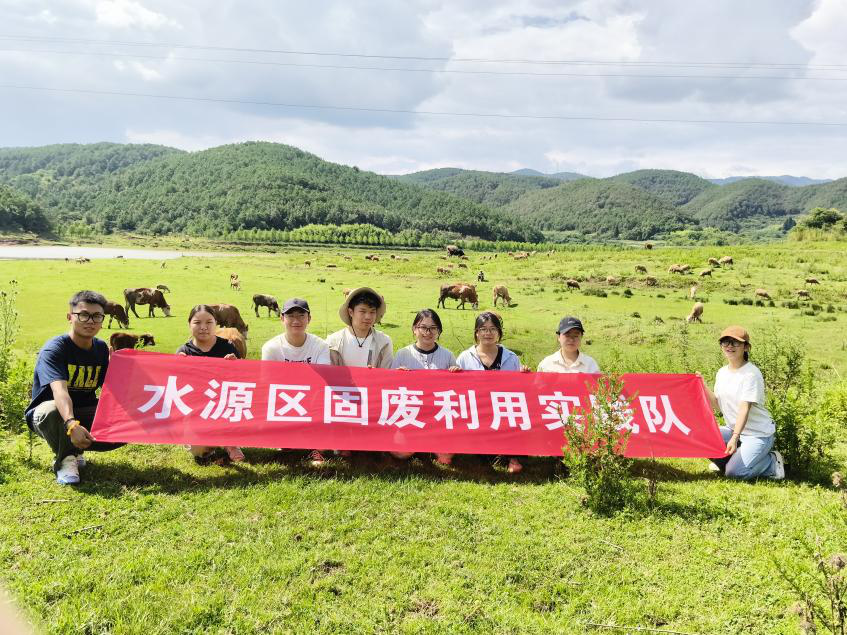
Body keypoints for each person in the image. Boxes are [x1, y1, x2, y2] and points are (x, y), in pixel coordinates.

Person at [26, 290, 125, 485]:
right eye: (83, 315)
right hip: (49, 415)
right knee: (52, 409)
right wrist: (72, 424)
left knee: (128, 415)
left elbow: (110, 392)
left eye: (97, 316)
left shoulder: (100, 348)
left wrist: (117, 371)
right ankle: (66, 459)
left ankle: (75, 448)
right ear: (70, 317)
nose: (90, 321)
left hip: (84, 411)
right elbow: (59, 391)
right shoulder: (55, 348)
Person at [700, 326, 785, 480]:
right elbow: (720, 406)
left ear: (746, 347)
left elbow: (744, 409)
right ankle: (728, 462)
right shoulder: (722, 372)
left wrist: (734, 438)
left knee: (734, 473)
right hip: (734, 429)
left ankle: (771, 462)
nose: (729, 346)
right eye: (725, 342)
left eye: (735, 343)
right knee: (702, 436)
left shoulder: (751, 374)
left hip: (757, 433)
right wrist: (702, 386)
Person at [455, 311, 530, 473]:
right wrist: (453, 373)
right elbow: (457, 389)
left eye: (492, 329)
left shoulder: (511, 357)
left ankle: (512, 458)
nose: (488, 333)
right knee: (482, 450)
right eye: (483, 329)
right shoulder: (464, 357)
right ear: (476, 333)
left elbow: (519, 390)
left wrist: (524, 376)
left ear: (499, 333)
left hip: (502, 410)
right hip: (476, 411)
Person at [261, 298, 331, 466]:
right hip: (283, 399)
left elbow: (322, 379)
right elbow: (268, 383)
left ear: (309, 318)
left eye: (301, 315)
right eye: (290, 316)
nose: (296, 320)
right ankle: (284, 438)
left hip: (312, 398)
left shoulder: (320, 345)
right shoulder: (271, 347)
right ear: (282, 318)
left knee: (323, 399)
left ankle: (316, 448)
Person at [177, 304, 245, 464]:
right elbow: (176, 388)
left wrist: (235, 366)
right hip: (197, 409)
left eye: (209, 322)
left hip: (222, 404)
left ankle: (230, 442)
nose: (203, 327)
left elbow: (239, 384)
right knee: (200, 451)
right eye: (197, 323)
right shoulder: (183, 352)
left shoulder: (227, 347)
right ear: (189, 324)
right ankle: (205, 440)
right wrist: (178, 368)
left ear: (216, 323)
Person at [391, 308, 459, 464]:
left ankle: (429, 445)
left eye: (433, 328)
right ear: (415, 329)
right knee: (400, 453)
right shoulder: (403, 354)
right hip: (411, 414)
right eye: (423, 327)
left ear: (439, 331)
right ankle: (417, 445)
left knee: (445, 458)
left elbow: (457, 391)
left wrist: (456, 374)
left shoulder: (447, 355)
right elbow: (391, 388)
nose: (428, 332)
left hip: (438, 415)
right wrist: (397, 376)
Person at [327, 287, 393, 369]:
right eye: (363, 311)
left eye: (372, 312)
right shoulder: (333, 342)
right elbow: (328, 374)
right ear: (351, 312)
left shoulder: (384, 342)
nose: (368, 317)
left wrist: (377, 374)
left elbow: (388, 374)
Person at [536, 316, 601, 374]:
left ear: (581, 337)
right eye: (567, 335)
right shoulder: (547, 363)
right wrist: (526, 375)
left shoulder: (590, 364)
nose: (571, 339)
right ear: (558, 337)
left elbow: (598, 387)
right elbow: (538, 386)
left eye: (576, 335)